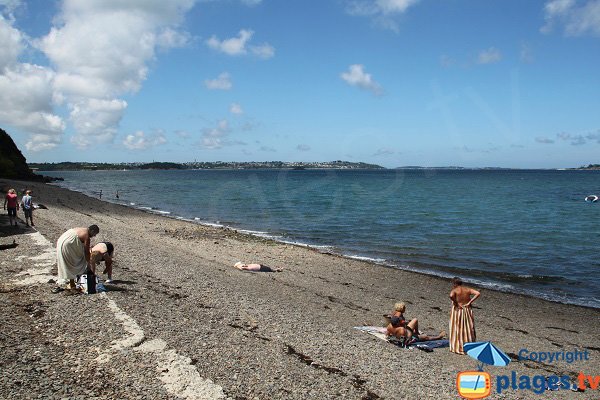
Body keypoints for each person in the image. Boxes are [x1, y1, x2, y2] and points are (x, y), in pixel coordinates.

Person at [55, 225, 99, 290]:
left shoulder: (81, 229)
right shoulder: (86, 236)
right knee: (73, 263)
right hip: (67, 244)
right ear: (92, 231)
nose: (94, 236)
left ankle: (71, 281)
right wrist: (88, 263)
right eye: (94, 234)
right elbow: (86, 251)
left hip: (61, 241)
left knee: (69, 262)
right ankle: (72, 284)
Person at [449, 277, 481, 354]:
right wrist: (470, 302)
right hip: (467, 309)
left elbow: (451, 295)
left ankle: (458, 346)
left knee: (458, 327)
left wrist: (456, 303)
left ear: (455, 284)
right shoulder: (467, 289)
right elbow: (478, 293)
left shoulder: (455, 290)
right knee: (468, 328)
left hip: (458, 310)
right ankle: (469, 345)